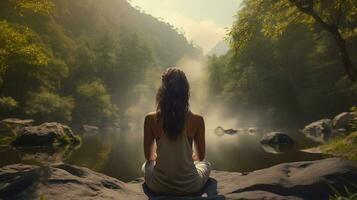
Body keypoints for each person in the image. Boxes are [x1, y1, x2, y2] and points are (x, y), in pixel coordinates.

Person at [142, 67, 211, 195]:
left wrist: (158, 157)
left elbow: (148, 156)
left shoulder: (150, 119)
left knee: (146, 164)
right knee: (206, 163)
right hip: (190, 186)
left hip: (158, 185)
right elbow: (200, 157)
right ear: (186, 92)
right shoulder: (197, 120)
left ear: (162, 91)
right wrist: (188, 158)